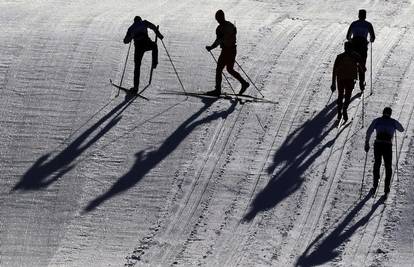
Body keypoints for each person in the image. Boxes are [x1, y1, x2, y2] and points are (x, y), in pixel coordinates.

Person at [205, 10, 249, 96]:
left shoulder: (220, 28)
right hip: (232, 50)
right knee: (230, 69)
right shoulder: (230, 25)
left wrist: (211, 47)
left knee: (219, 69)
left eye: (218, 18)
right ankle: (244, 83)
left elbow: (219, 40)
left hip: (226, 51)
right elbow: (232, 34)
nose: (217, 20)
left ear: (220, 18)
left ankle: (218, 90)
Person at [365, 107, 404, 197]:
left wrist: (367, 143)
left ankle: (375, 184)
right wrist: (394, 126)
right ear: (390, 114)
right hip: (387, 145)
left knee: (377, 163)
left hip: (378, 144)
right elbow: (401, 129)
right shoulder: (393, 122)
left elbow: (369, 131)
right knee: (388, 166)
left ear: (383, 113)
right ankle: (386, 189)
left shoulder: (377, 121)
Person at [124, 16, 164, 94]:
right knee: (154, 46)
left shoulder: (131, 28)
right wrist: (159, 35)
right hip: (146, 43)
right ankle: (154, 63)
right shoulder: (144, 22)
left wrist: (130, 37)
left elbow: (126, 41)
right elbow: (153, 27)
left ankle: (135, 88)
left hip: (138, 48)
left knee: (137, 67)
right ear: (140, 19)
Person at [331, 41, 364, 124]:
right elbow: (362, 69)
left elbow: (334, 70)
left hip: (340, 78)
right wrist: (361, 80)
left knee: (340, 95)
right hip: (350, 79)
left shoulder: (339, 57)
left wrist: (333, 83)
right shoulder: (356, 56)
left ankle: (339, 112)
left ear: (344, 48)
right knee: (348, 95)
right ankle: (345, 108)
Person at [346, 9, 375, 91]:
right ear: (365, 16)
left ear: (358, 15)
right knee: (362, 63)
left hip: (354, 45)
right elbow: (373, 37)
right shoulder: (368, 24)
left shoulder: (354, 24)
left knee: (353, 63)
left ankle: (352, 80)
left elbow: (348, 37)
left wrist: (352, 41)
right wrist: (370, 40)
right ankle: (361, 83)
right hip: (363, 46)